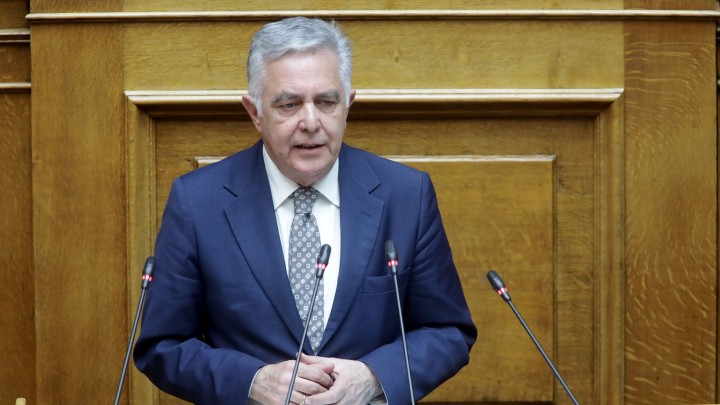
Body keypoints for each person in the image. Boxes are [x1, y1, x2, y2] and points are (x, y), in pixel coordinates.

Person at [134, 16, 476, 405]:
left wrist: (373, 376)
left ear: (348, 106)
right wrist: (253, 381)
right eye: (289, 104)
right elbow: (162, 346)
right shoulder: (198, 202)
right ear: (255, 111)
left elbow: (447, 332)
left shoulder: (407, 195)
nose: (310, 122)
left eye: (326, 102)